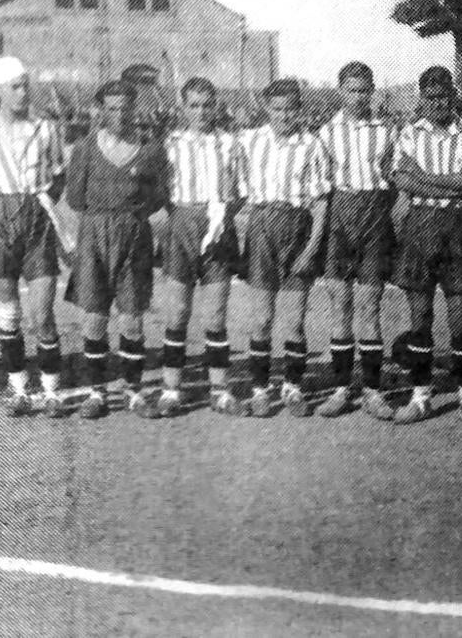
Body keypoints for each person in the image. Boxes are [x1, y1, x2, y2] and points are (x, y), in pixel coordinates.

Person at [390, 66, 462, 430]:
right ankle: (421, 396)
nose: (437, 103)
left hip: (456, 226)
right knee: (420, 318)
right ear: (421, 98)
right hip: (419, 225)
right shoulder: (409, 132)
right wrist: (443, 185)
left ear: (454, 96)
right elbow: (401, 178)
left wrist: (426, 179)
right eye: (430, 97)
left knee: (460, 318)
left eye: (443, 96)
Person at [0, 57, 68, 417]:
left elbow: (59, 174)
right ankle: (19, 386)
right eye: (16, 87)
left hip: (37, 223)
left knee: (43, 314)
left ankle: (52, 390)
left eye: (26, 85)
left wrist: (41, 207)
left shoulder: (46, 128)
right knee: (8, 311)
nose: (24, 93)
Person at [65, 79, 168, 419]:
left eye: (126, 108)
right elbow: (75, 198)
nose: (119, 115)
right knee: (94, 320)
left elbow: (156, 198)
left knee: (132, 321)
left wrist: (130, 219)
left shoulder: (151, 149)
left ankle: (134, 393)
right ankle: (97, 393)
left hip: (134, 236)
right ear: (101, 111)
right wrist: (104, 219)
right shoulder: (84, 148)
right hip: (95, 234)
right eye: (111, 108)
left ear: (135, 109)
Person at [234, 78, 330, 417]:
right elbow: (233, 188)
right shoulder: (248, 140)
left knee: (294, 321)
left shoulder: (312, 144)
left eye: (291, 109)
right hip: (261, 230)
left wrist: (311, 248)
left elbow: (320, 203)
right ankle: (260, 390)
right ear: (266, 108)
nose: (284, 115)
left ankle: (292, 387)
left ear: (299, 109)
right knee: (261, 319)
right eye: (277, 109)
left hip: (298, 230)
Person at [312, 62, 398, 421]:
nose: (358, 96)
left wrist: (390, 220)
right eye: (351, 89)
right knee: (340, 305)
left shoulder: (388, 130)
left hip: (376, 214)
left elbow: (398, 181)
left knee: (370, 305)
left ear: (372, 90)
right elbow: (320, 189)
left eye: (364, 89)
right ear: (340, 91)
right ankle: (341, 388)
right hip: (340, 217)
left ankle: (374, 391)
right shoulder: (326, 133)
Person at [157, 77, 242, 417]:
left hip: (219, 226)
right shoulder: (170, 143)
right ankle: (170, 391)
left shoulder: (230, 142)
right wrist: (176, 220)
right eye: (194, 104)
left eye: (207, 104)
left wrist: (222, 215)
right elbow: (159, 190)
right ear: (183, 107)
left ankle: (220, 390)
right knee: (177, 313)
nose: (202, 111)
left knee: (216, 315)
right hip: (181, 224)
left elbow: (242, 189)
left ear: (216, 104)